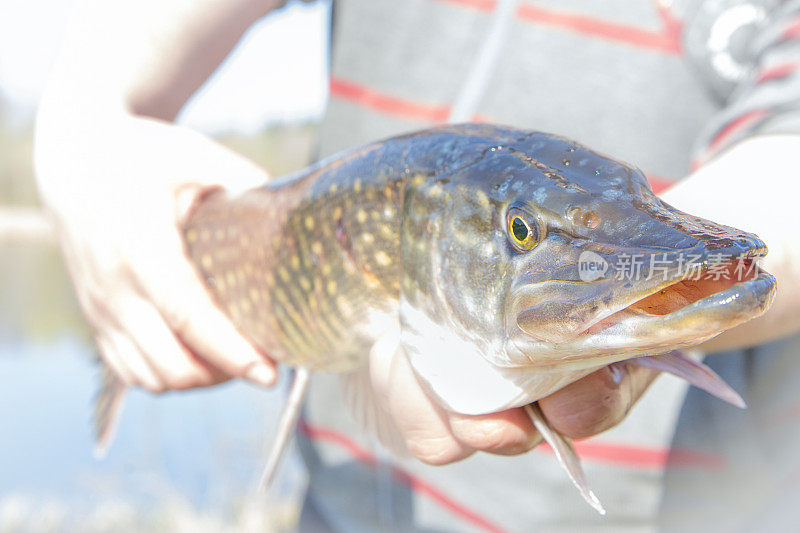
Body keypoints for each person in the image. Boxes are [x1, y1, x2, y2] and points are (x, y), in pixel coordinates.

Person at [35, 0, 800, 530]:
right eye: (525, 231)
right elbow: (117, 57)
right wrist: (81, 122)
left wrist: (637, 314)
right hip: (339, 512)